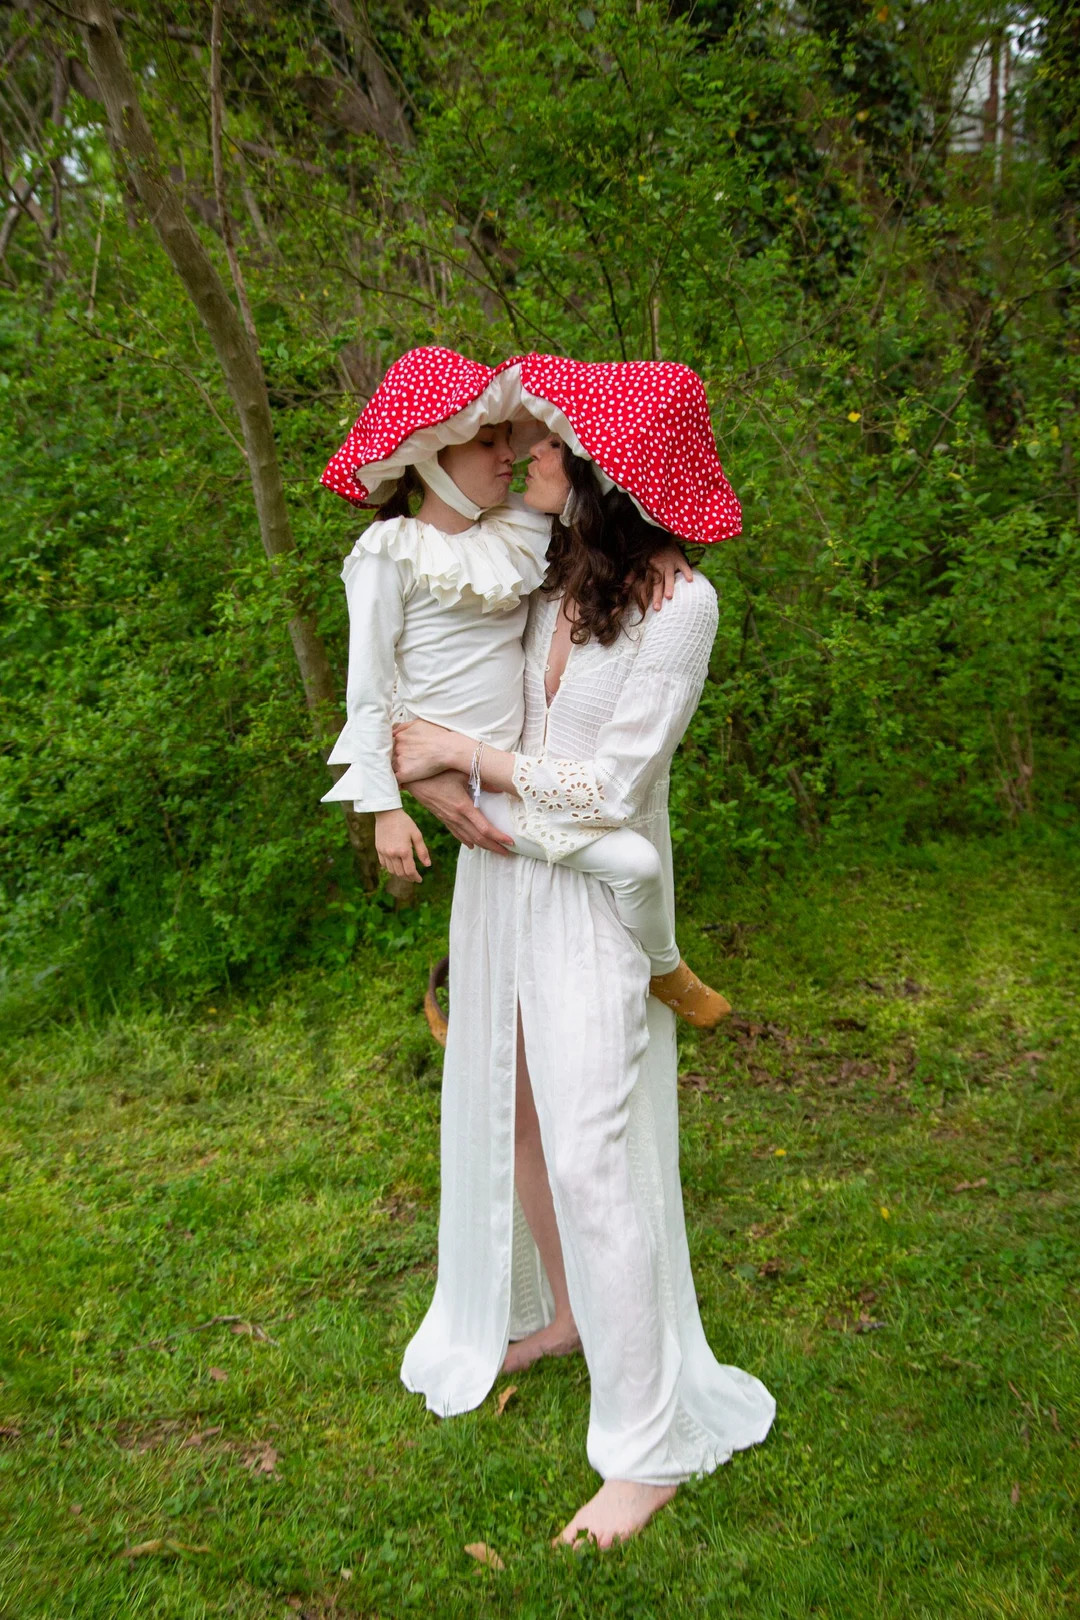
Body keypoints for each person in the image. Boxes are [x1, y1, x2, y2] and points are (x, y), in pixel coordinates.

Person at [393, 354, 776, 1550]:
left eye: (554, 446)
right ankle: (558, 1313)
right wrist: (417, 780)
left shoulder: (683, 605)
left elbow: (611, 786)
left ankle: (648, 1447)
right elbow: (422, 531)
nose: (530, 459)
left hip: (592, 901)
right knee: (509, 1111)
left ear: (609, 475)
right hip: (500, 879)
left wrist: (464, 752)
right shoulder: (553, 572)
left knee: (597, 1154)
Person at [320, 346, 729, 1024]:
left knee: (633, 865)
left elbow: (611, 510)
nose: (516, 453)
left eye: (520, 439)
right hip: (479, 784)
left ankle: (653, 969)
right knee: (634, 864)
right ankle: (665, 968)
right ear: (431, 455)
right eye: (489, 442)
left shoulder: (517, 536)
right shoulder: (387, 554)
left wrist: (661, 544)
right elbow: (368, 686)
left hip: (506, 770)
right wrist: (387, 803)